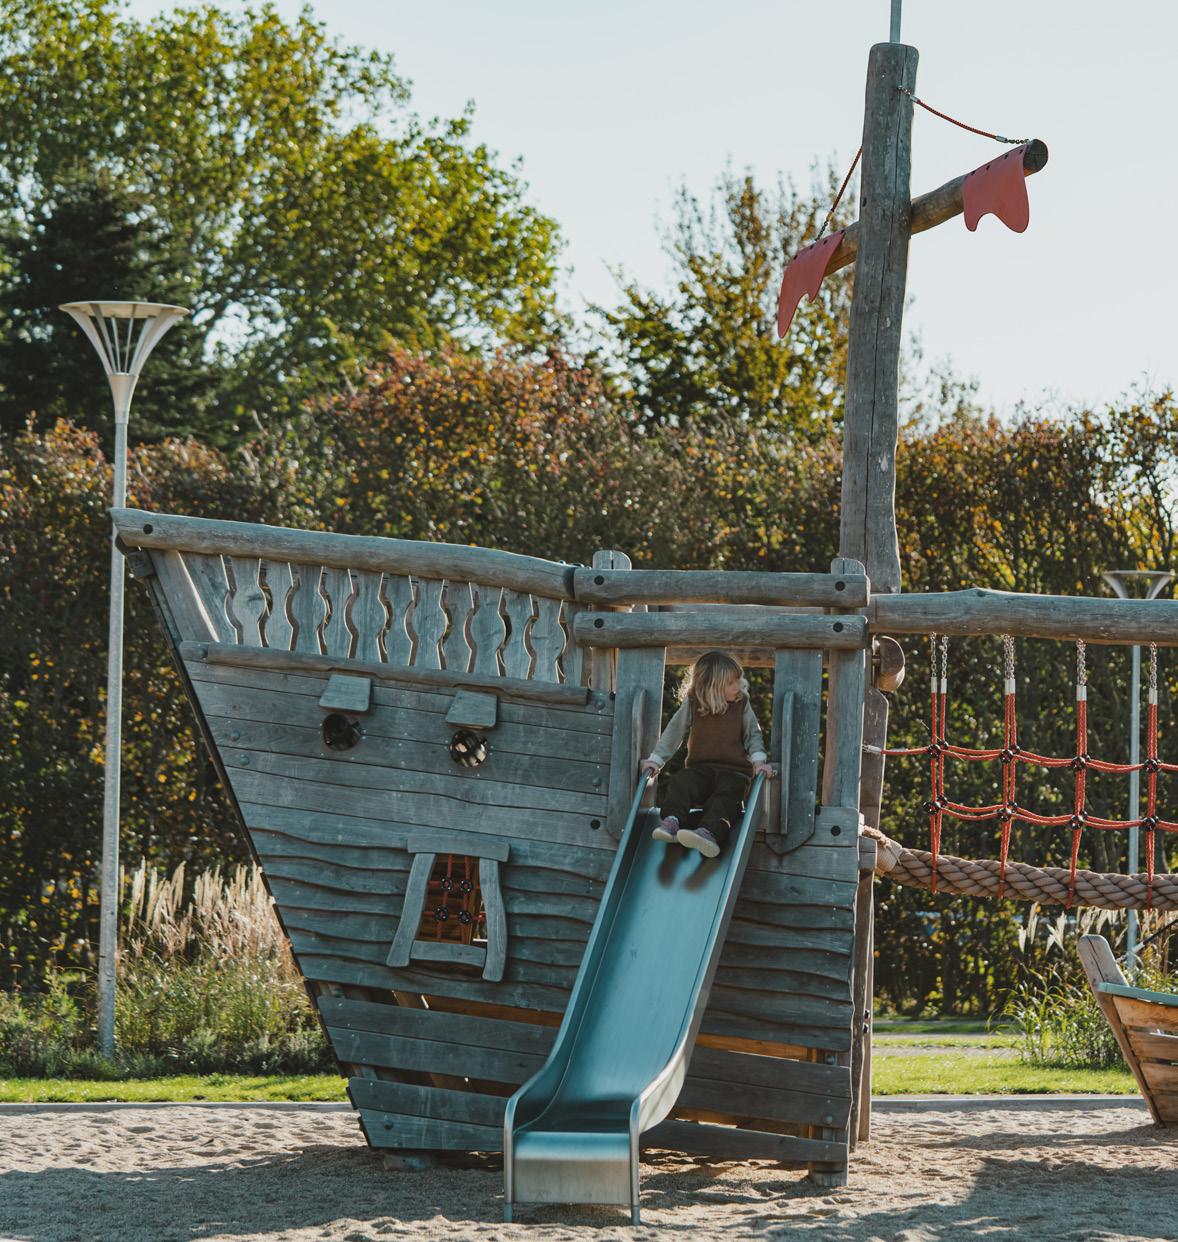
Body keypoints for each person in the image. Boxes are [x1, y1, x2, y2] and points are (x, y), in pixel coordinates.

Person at [640, 650, 774, 858]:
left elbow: (753, 734)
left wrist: (759, 762)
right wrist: (656, 760)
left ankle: (708, 833)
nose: (738, 686)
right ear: (712, 686)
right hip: (700, 769)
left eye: (738, 680)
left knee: (726, 797)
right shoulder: (694, 702)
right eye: (731, 683)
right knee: (681, 782)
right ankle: (672, 821)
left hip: (735, 772)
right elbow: (674, 732)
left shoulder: (741, 703)